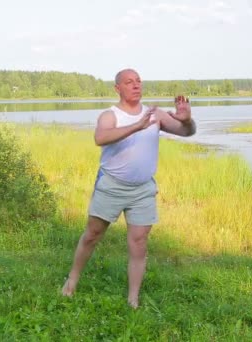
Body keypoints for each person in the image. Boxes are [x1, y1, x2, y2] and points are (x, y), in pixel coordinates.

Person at [61, 68, 196, 308]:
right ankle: (72, 280)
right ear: (118, 88)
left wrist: (186, 120)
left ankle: (133, 299)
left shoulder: (155, 114)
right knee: (92, 235)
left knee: (139, 242)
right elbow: (100, 138)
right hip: (111, 185)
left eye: (139, 81)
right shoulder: (109, 115)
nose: (136, 85)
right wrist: (136, 126)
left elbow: (187, 132)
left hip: (143, 189)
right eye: (129, 82)